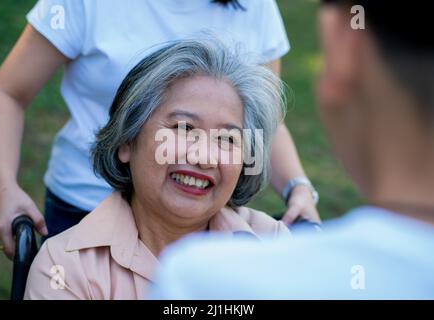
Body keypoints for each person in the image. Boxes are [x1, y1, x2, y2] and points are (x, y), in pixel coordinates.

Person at [0, 0, 319, 260]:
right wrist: (5, 188)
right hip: (84, 208)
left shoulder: (254, 7)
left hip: (199, 215)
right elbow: (8, 93)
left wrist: (297, 186)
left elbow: (265, 121)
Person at [149, 0, 434, 299]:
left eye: (228, 138)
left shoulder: (204, 282)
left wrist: (297, 187)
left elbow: (269, 124)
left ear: (342, 48)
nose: (201, 154)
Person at [24, 38, 290, 299]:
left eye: (227, 139)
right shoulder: (64, 267)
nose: (203, 157)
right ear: (127, 140)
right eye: (183, 128)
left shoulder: (273, 245)